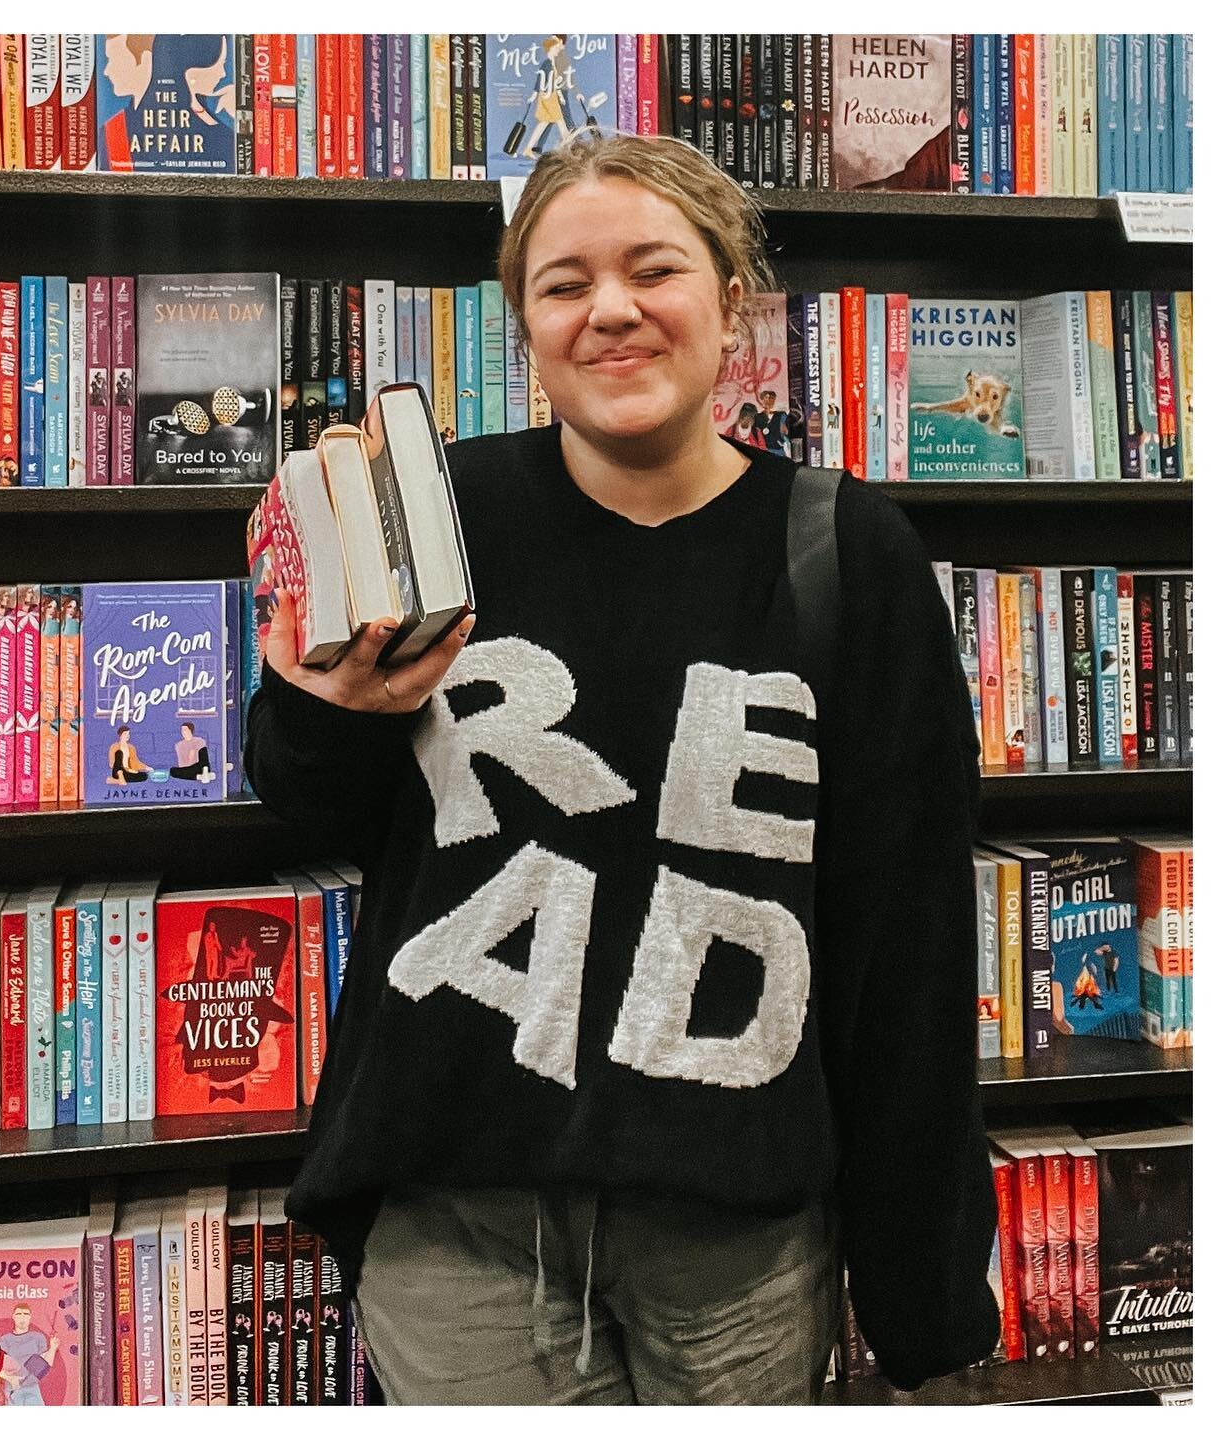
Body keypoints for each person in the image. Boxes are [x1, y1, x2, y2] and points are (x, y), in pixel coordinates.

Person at [245, 132, 998, 1405]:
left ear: (731, 299)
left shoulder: (845, 553)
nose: (611, 311)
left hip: (740, 1237)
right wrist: (326, 707)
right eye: (562, 284)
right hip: (457, 1228)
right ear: (523, 324)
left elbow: (908, 931)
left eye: (654, 268)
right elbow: (307, 802)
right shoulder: (435, 514)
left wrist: (919, 1282)